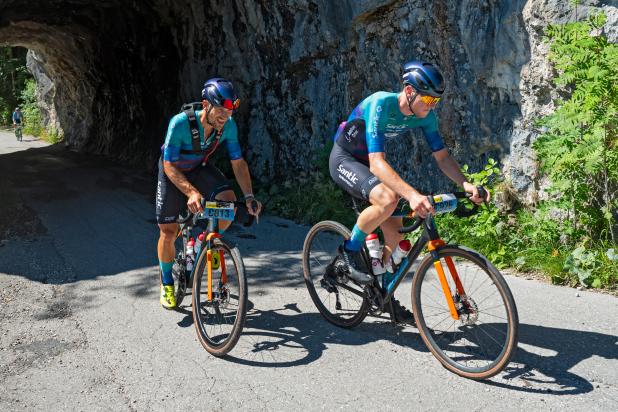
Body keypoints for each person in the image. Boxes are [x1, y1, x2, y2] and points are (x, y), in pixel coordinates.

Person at [328, 61, 489, 322]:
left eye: (436, 100)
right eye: (427, 98)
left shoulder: (426, 116)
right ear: (409, 91)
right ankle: (349, 250)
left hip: (370, 163)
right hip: (345, 158)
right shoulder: (382, 103)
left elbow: (443, 157)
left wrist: (466, 184)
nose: (431, 104)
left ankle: (383, 295)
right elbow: (377, 163)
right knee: (389, 198)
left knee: (396, 234)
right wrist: (413, 195)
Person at [156, 78, 262, 309]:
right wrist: (192, 193)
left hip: (198, 169)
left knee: (229, 205)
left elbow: (238, 162)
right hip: (172, 170)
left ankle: (204, 240)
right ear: (206, 104)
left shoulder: (229, 126)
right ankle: (166, 282)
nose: (225, 116)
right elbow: (169, 165)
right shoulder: (180, 123)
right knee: (168, 230)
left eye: (230, 111)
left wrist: (249, 197)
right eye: (221, 110)